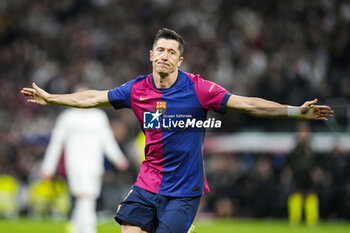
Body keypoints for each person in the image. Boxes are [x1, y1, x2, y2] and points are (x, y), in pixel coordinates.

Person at [21, 28, 334, 233]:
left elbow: (248, 104)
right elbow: (93, 97)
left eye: (171, 52)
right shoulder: (137, 90)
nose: (164, 55)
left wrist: (294, 111)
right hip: (147, 183)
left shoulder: (199, 89)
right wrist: (52, 100)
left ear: (180, 60)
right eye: (160, 50)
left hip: (184, 190)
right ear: (151, 56)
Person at [40, 84, 129, 233]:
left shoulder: (98, 117)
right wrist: (48, 167)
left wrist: (118, 158)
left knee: (88, 196)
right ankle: (88, 227)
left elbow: (107, 140)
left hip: (94, 164)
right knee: (84, 196)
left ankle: (78, 227)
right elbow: (56, 143)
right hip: (74, 163)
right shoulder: (67, 118)